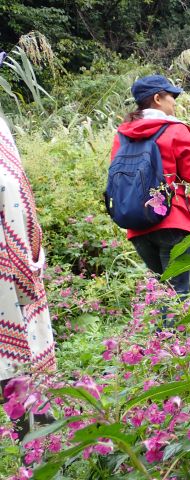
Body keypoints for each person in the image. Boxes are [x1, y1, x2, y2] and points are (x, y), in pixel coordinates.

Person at [111, 75, 190, 298]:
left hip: (136, 223)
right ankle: (175, 334)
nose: (174, 102)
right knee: (178, 293)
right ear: (157, 99)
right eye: (171, 96)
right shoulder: (176, 130)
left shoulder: (122, 135)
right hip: (173, 219)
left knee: (163, 292)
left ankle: (160, 333)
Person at [0, 116, 56, 438]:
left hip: (12, 266)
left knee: (19, 364)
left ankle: (37, 447)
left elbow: (17, 192)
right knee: (17, 360)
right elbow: (11, 190)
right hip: (11, 270)